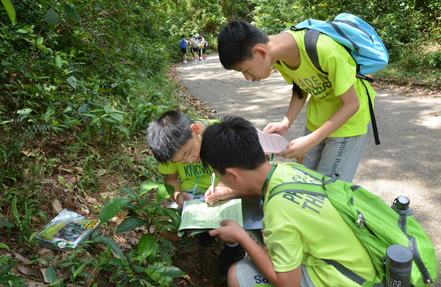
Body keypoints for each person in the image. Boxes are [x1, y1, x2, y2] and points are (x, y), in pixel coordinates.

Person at [200, 116, 380, 287]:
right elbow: (266, 189)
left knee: (238, 274)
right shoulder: (289, 169)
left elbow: (287, 284)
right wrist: (231, 193)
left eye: (219, 175)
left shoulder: (278, 214)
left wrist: (241, 236)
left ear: (232, 174)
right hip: (363, 263)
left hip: (346, 280)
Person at [217, 20, 376, 183]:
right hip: (318, 119)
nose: (248, 77)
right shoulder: (279, 56)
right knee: (306, 180)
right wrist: (286, 122)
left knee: (328, 188)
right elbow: (300, 85)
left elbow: (351, 104)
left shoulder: (324, 49)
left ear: (260, 52)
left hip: (349, 123)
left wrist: (312, 140)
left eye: (245, 70)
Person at [145, 110, 246, 280]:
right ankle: (202, 233)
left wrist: (226, 190)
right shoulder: (172, 150)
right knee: (167, 228)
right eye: (181, 162)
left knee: (228, 225)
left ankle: (233, 248)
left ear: (195, 130)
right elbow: (171, 178)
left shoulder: (223, 133)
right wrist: (178, 195)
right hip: (193, 198)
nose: (190, 160)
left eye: (188, 153)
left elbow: (244, 175)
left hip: (227, 194)